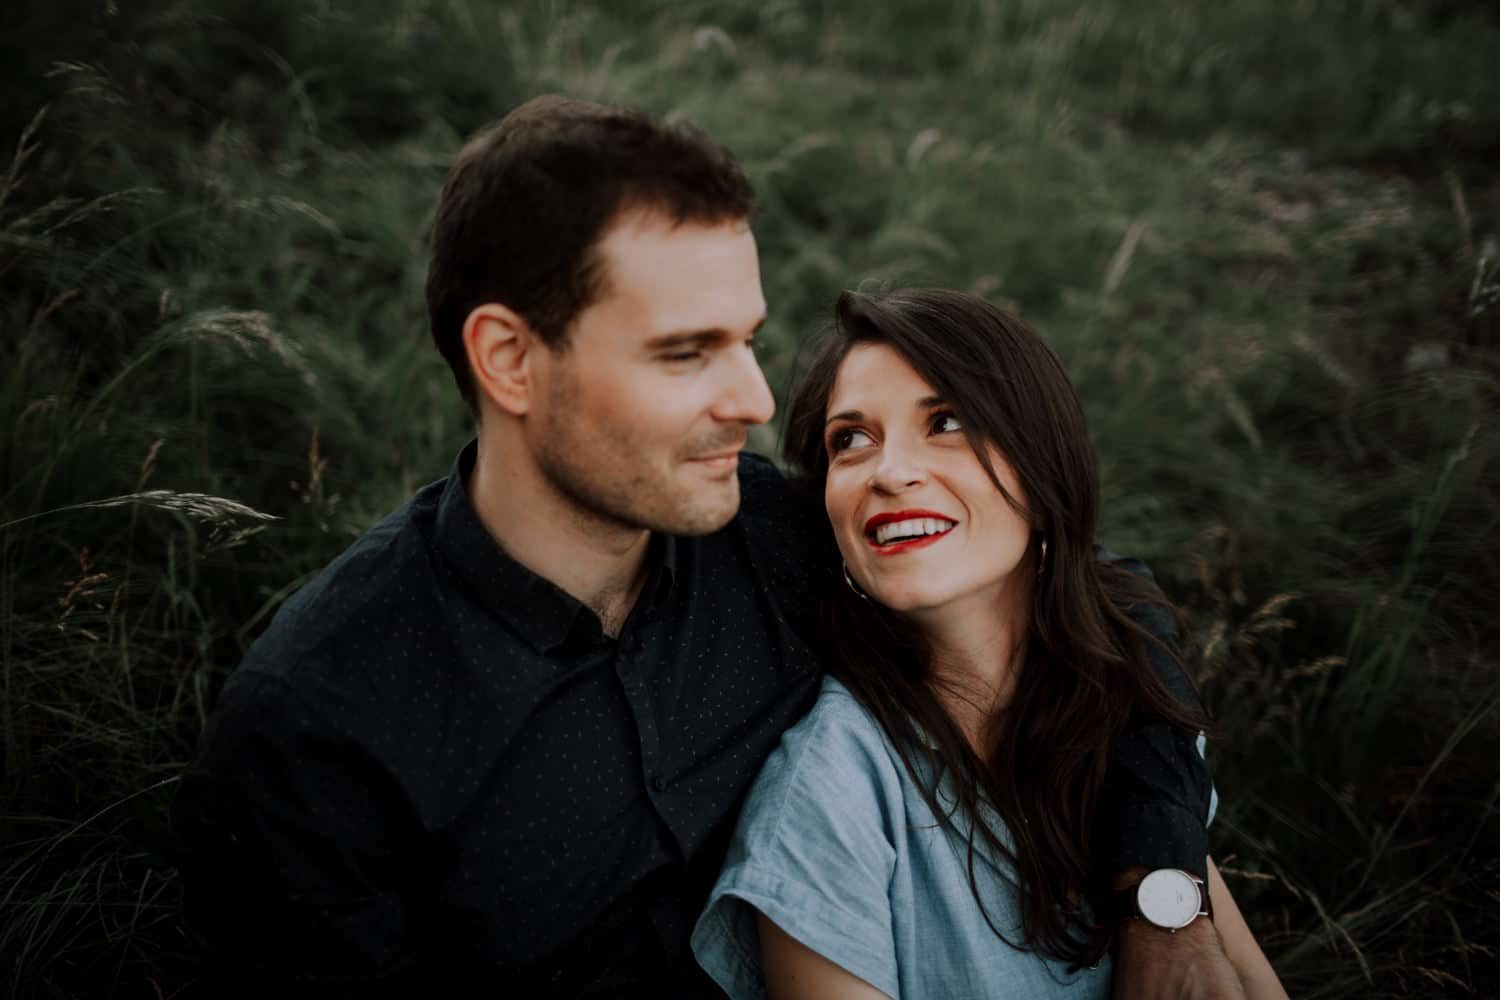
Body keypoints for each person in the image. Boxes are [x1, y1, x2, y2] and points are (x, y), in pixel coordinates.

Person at [172, 97, 1233, 997]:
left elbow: (1090, 593)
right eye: (686, 353)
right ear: (509, 359)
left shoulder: (764, 534)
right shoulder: (318, 729)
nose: (756, 401)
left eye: (748, 341)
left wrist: (1162, 891)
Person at [692, 288, 1286, 999]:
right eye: (850, 439)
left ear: (1044, 471)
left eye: (946, 422)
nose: (889, 472)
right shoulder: (830, 794)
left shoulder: (1120, 720)